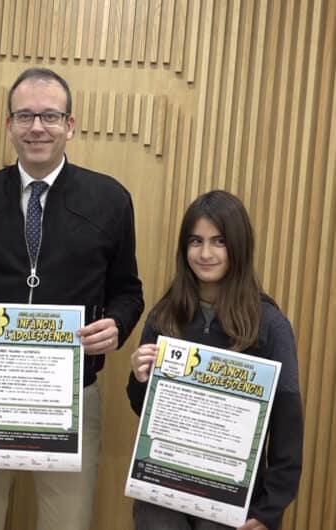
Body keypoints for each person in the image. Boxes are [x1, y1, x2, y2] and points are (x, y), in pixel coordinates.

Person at [0, 67, 144, 530]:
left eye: (50, 116)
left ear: (70, 125)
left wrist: (118, 325)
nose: (37, 127)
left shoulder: (110, 200)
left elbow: (128, 291)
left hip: (72, 394)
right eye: (25, 116)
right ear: (9, 126)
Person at [126, 190, 303, 530]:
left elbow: (288, 428)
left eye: (219, 241)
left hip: (233, 499)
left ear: (238, 246)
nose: (205, 253)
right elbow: (140, 407)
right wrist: (139, 377)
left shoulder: (269, 325)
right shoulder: (164, 315)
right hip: (163, 491)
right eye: (196, 241)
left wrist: (269, 511)